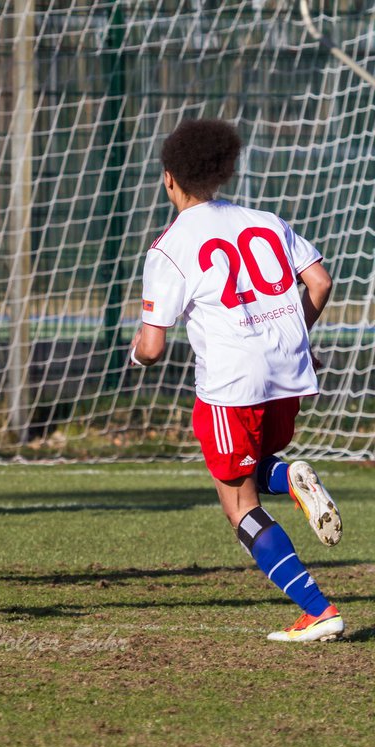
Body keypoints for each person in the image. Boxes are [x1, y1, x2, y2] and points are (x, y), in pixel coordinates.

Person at [129, 118, 343, 643]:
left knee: (239, 507)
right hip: (288, 374)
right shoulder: (265, 220)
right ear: (222, 173)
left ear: (169, 179)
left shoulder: (169, 247)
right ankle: (287, 477)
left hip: (232, 386)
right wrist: (289, 332)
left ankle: (318, 610)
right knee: (249, 469)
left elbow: (152, 348)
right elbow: (319, 280)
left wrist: (136, 354)